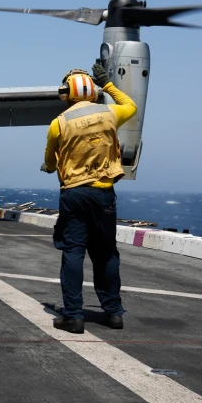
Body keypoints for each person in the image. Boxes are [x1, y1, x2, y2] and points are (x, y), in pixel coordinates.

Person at [41, 62, 137, 334]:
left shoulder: (58, 124)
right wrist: (108, 83)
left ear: (67, 94)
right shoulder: (110, 113)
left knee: (73, 253)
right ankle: (114, 313)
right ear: (92, 91)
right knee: (106, 253)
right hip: (103, 193)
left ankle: (73, 316)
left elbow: (49, 162)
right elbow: (131, 106)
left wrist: (49, 167)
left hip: (74, 194)